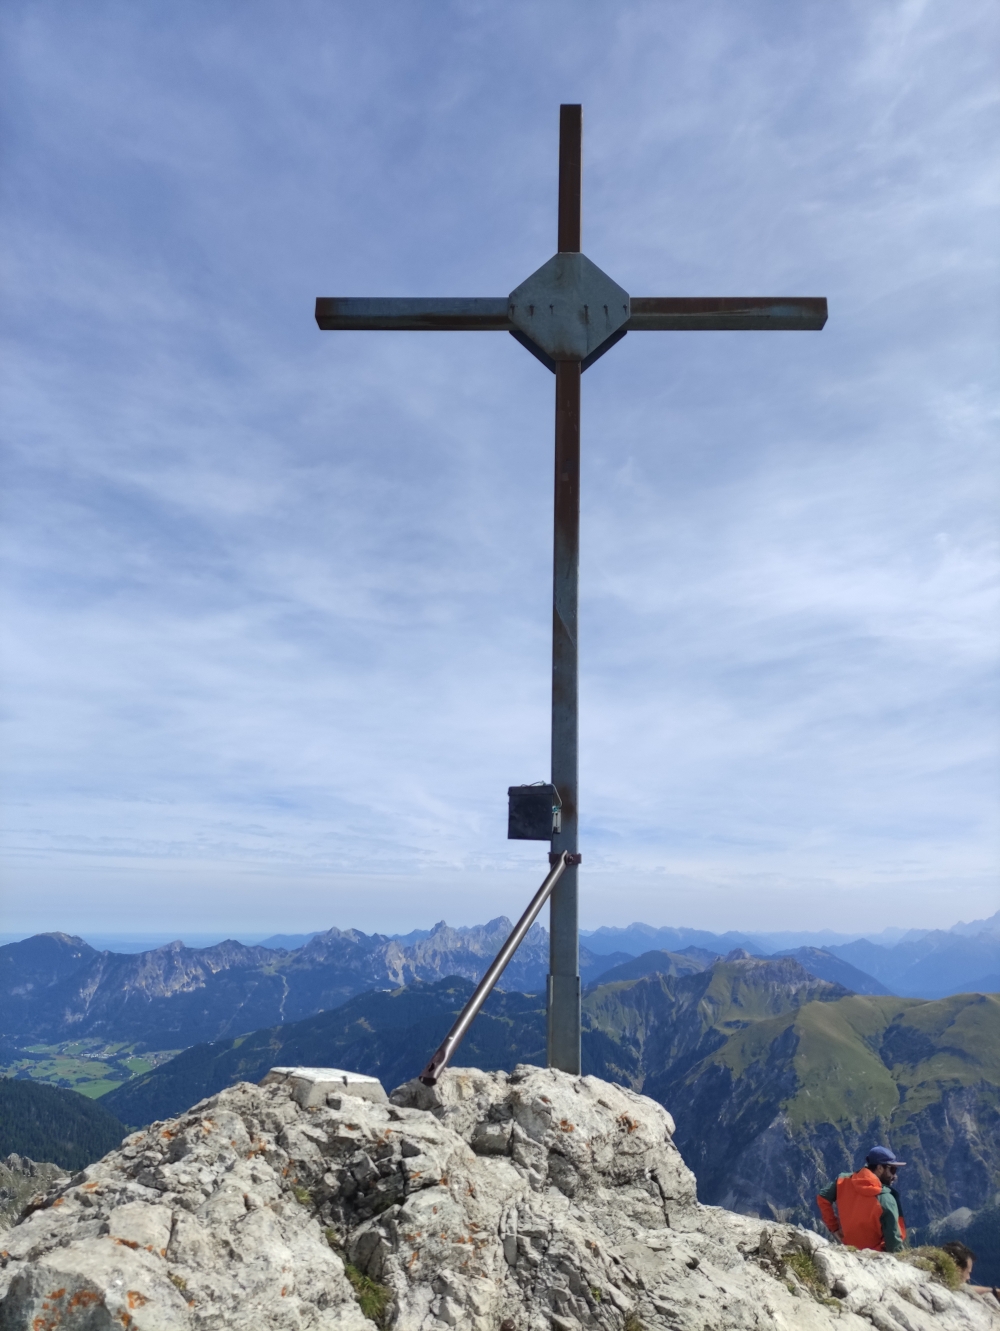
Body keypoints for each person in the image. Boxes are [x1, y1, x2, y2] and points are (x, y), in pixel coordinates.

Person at [816, 1146, 907, 1252]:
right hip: (875, 1256)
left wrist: (834, 1228)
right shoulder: (886, 1199)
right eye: (892, 1169)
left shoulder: (842, 1180)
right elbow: (894, 1243)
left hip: (849, 1251)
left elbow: (822, 1197)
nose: (895, 1176)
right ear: (879, 1168)